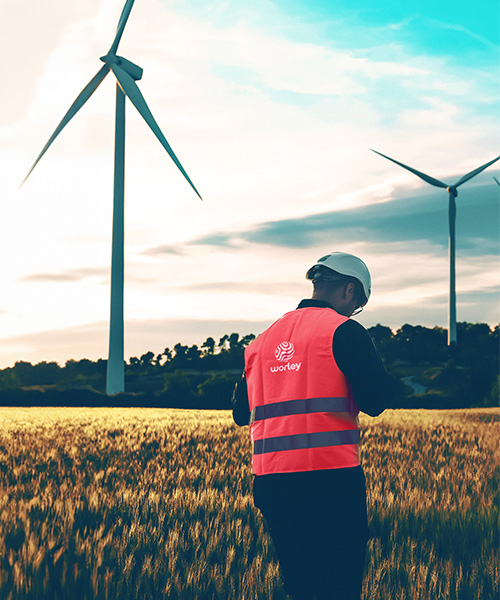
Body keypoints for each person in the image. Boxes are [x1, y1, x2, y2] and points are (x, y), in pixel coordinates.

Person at [232, 251, 401, 600]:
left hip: (271, 484)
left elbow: (239, 413)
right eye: (359, 305)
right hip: (330, 481)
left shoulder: (261, 342)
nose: (355, 313)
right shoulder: (345, 331)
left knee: (301, 584)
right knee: (339, 584)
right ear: (350, 290)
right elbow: (375, 402)